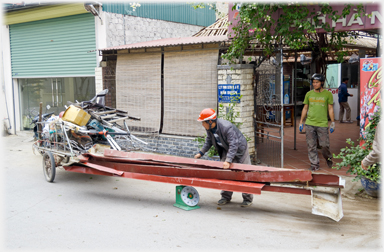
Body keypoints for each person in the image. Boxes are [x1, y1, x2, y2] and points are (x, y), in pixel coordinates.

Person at [194, 108, 253, 207]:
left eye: (203, 122)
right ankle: (225, 197)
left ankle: (247, 198)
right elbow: (209, 141)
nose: (202, 124)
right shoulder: (209, 129)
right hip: (226, 149)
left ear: (210, 121)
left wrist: (228, 160)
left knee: (244, 173)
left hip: (240, 149)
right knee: (225, 173)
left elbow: (234, 144)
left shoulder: (226, 127)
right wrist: (201, 152)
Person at [299, 73, 335, 171]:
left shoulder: (328, 94)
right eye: (313, 82)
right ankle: (314, 164)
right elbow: (305, 108)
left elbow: (330, 108)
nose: (314, 84)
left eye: (317, 82)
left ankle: (328, 157)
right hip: (310, 123)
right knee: (311, 145)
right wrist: (301, 122)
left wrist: (332, 122)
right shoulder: (309, 94)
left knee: (324, 145)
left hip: (322, 124)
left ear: (322, 83)